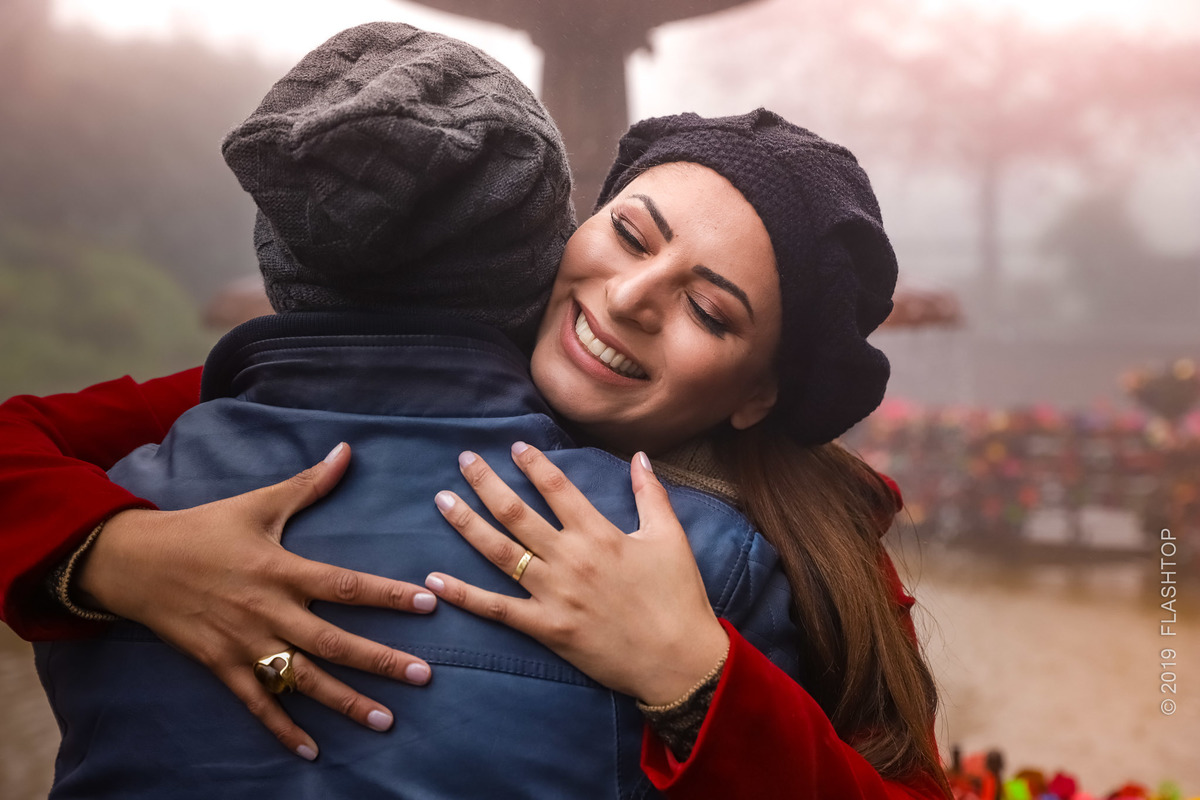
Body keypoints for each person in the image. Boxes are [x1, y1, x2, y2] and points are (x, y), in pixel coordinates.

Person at [0, 24, 950, 800]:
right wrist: (122, 555)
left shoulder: (807, 548)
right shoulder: (308, 393)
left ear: (759, 395)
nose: (627, 299)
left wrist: (695, 673)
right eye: (628, 233)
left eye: (709, 309)